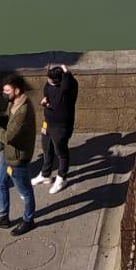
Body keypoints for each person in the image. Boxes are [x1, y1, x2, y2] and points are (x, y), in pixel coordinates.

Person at [0, 72, 38, 237]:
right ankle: (3, 216)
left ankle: (29, 220)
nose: (5, 94)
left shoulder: (23, 111)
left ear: (17, 90)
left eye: (7, 91)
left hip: (17, 157)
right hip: (7, 154)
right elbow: (7, 118)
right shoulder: (13, 102)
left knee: (24, 191)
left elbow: (7, 137)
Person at [34, 63, 79, 194]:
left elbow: (57, 102)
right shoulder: (49, 85)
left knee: (61, 153)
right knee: (46, 148)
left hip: (61, 127)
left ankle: (62, 178)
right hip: (48, 123)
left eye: (50, 79)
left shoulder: (68, 90)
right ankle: (45, 174)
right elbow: (47, 98)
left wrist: (66, 72)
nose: (48, 81)